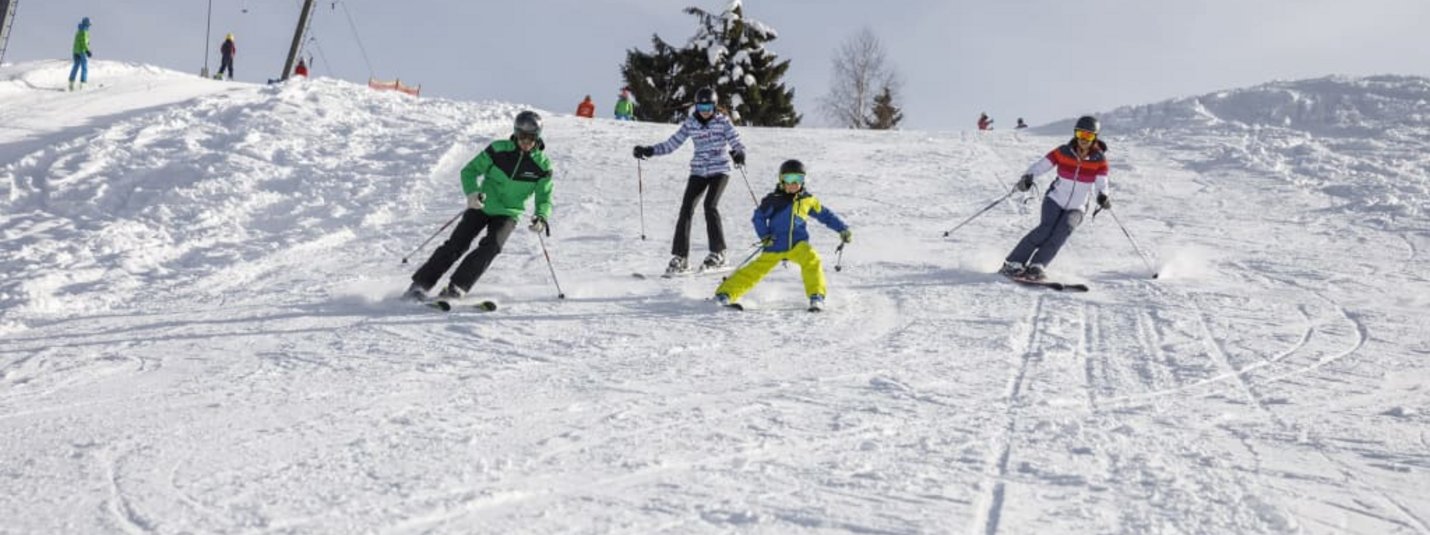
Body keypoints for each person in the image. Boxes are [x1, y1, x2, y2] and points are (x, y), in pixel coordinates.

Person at [403, 111, 554, 300]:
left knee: (492, 247)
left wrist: (541, 216)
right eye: (522, 136)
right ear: (515, 133)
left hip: (508, 213)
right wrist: (472, 193)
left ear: (537, 137)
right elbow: (470, 171)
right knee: (456, 244)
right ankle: (420, 286)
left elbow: (544, 196)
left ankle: (457, 287)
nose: (526, 141)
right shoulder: (498, 149)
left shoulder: (542, 165)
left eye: (531, 137)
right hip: (481, 205)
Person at [632, 87, 747, 274]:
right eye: (701, 107)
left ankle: (718, 253)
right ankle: (681, 258)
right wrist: (649, 150)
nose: (705, 111)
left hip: (720, 169)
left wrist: (739, 153)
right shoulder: (691, 123)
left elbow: (736, 140)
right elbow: (672, 143)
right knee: (686, 208)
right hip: (699, 171)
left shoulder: (723, 121)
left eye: (708, 107)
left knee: (710, 205)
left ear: (715, 106)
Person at [714, 160, 852, 312]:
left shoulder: (807, 200)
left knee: (812, 260)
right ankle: (724, 294)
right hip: (775, 244)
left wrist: (842, 229)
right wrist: (765, 236)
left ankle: (816, 297)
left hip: (798, 245)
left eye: (798, 179)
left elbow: (825, 215)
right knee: (754, 271)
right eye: (789, 179)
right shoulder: (774, 200)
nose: (793, 184)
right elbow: (758, 217)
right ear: (781, 180)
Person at [999, 115, 1110, 281]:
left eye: (1088, 135)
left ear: (1095, 137)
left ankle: (1037, 266)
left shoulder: (1099, 160)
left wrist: (1103, 196)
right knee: (1045, 229)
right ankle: (1013, 263)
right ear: (1075, 134)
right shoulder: (1063, 151)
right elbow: (1042, 165)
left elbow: (1102, 183)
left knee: (1062, 232)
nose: (1083, 139)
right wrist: (1028, 177)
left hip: (1077, 206)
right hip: (1055, 199)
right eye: (1081, 134)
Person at [68, 17, 92, 91]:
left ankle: (71, 83)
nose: (89, 26)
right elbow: (84, 42)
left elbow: (76, 42)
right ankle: (83, 83)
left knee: (76, 66)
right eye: (89, 24)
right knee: (84, 67)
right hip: (82, 51)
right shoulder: (84, 31)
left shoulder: (78, 31)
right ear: (86, 24)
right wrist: (87, 50)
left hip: (76, 51)